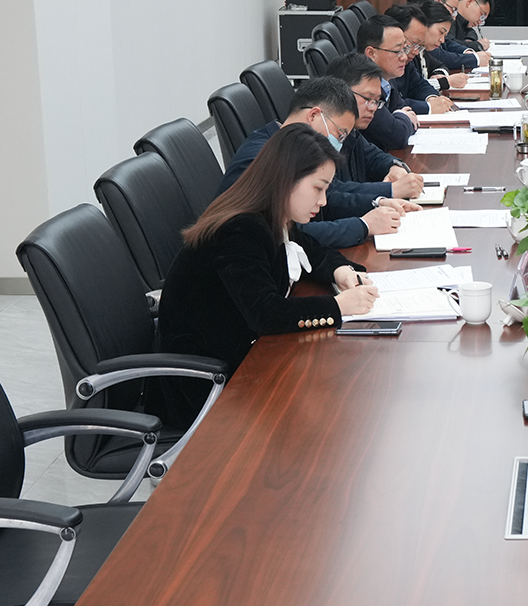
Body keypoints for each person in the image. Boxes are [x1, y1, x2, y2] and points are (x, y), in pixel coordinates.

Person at [157, 123, 380, 394]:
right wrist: (338, 306)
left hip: (243, 355)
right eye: (318, 188)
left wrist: (341, 272)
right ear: (287, 179)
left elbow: (311, 248)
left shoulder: (269, 213)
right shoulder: (239, 230)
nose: (323, 201)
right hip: (204, 384)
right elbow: (265, 313)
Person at [215, 77, 422, 247]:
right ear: (314, 115)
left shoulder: (293, 148)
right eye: (340, 134)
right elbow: (289, 234)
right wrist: (364, 226)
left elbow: (330, 193)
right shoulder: (264, 158)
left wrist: (378, 201)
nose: (339, 143)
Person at [362, 14, 451, 118]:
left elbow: (417, 87)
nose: (404, 57)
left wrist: (432, 100)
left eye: (404, 49)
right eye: (398, 51)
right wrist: (428, 107)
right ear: (371, 53)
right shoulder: (361, 83)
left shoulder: (388, 72)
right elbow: (388, 120)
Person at [332, 50, 418, 154]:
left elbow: (374, 157)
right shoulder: (322, 142)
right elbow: (397, 136)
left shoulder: (352, 133)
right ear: (341, 92)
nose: (373, 108)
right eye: (368, 98)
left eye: (377, 101)